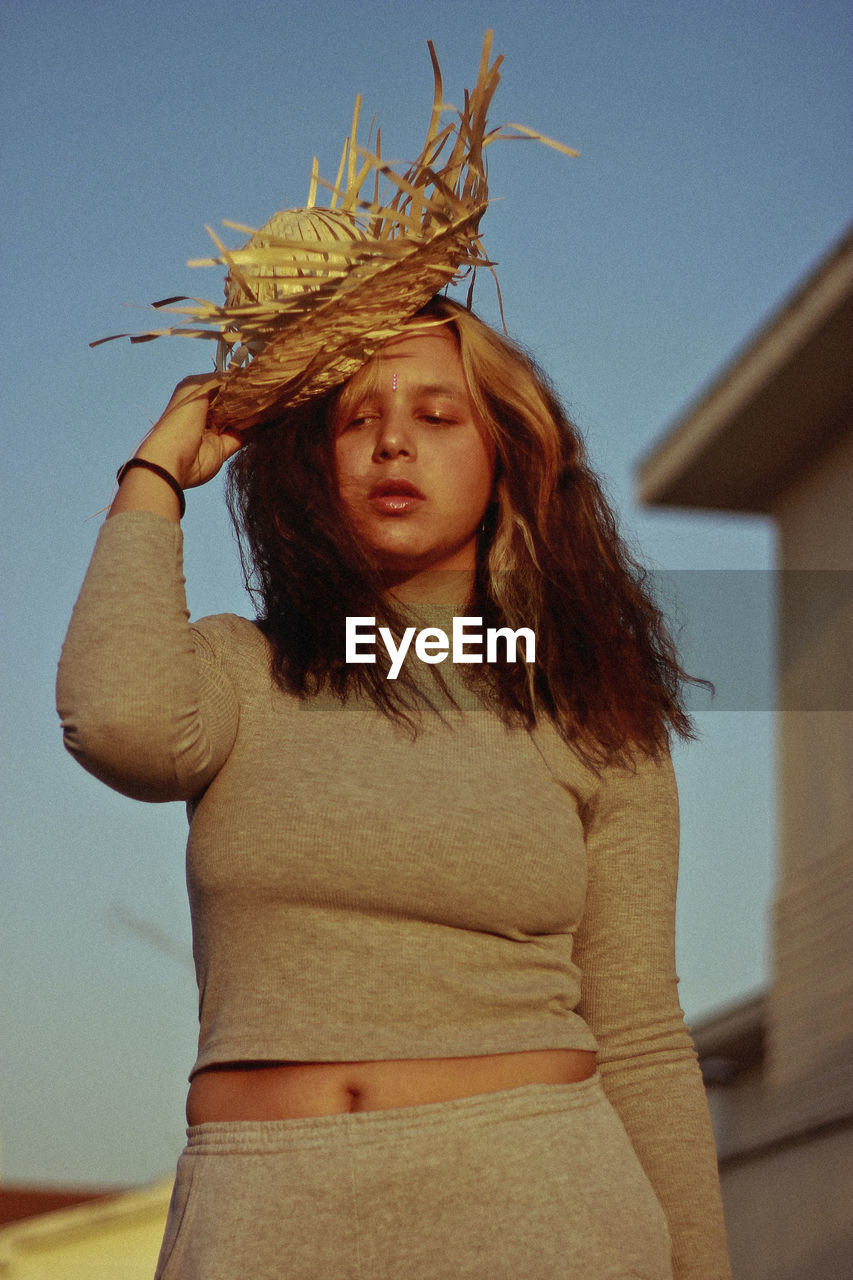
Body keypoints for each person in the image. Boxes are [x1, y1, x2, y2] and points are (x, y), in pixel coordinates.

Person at [57, 35, 731, 1280]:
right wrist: (159, 468)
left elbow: (637, 1030)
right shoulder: (244, 672)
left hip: (543, 1208)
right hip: (268, 1220)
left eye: (435, 415)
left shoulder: (589, 706)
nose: (390, 445)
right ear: (312, 465)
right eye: (354, 417)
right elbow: (116, 725)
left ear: (506, 455)